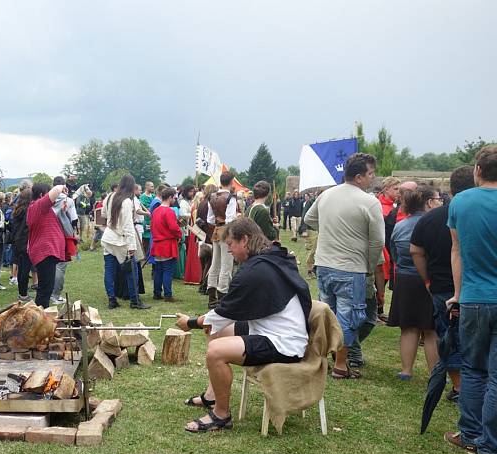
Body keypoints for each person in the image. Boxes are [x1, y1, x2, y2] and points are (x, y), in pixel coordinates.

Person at [177, 218, 311, 431]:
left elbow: (223, 313)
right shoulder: (269, 258)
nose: (228, 250)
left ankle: (221, 415)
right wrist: (206, 321)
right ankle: (212, 396)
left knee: (215, 351)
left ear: (245, 240)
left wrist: (190, 322)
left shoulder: (255, 271)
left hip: (284, 344)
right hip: (273, 330)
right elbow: (222, 318)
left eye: (230, 244)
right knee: (216, 331)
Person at [303, 152, 385, 379]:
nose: (373, 178)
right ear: (359, 177)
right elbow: (378, 240)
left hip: (324, 264)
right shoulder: (369, 202)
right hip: (352, 267)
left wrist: (331, 227)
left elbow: (309, 218)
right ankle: (340, 365)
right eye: (370, 174)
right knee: (348, 318)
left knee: (326, 314)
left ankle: (321, 358)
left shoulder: (327, 195)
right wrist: (369, 265)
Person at [444, 146, 497, 454]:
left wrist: (457, 293)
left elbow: (457, 251)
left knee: (474, 369)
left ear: (477, 170)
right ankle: (490, 445)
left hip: (475, 296)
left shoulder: (461, 202)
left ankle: (470, 433)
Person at [410, 166, 475, 400]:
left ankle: (459, 387)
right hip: (475, 286)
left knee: (450, 337)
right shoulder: (479, 213)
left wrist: (427, 277)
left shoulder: (431, 218)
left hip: (442, 286)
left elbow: (415, 250)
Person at [387, 184, 440, 380]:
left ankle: (406, 370)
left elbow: (393, 252)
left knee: (408, 327)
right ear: (427, 202)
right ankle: (434, 373)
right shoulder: (434, 225)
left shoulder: (400, 226)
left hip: (405, 279)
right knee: (430, 329)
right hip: (428, 279)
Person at [101, 174, 150, 310]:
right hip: (120, 240)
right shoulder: (127, 201)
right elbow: (128, 225)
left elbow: (103, 214)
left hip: (109, 237)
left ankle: (112, 299)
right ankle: (135, 301)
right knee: (131, 270)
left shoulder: (110, 196)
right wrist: (132, 246)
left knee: (109, 271)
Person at [26, 182, 67, 308]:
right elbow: (55, 190)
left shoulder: (40, 208)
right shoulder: (38, 206)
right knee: (45, 289)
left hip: (46, 253)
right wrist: (61, 187)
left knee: (46, 288)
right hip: (44, 253)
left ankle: (41, 313)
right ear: (42, 195)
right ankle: (41, 314)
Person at [205, 171, 238, 308]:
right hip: (226, 231)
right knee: (226, 265)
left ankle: (212, 297)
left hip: (216, 230)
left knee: (215, 264)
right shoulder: (230, 197)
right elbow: (230, 218)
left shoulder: (212, 196)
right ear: (231, 182)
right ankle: (222, 297)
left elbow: (210, 219)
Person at [51, 176, 79, 305]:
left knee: (49, 264)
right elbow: (74, 218)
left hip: (48, 233)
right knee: (61, 265)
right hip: (62, 235)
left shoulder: (47, 199)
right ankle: (55, 294)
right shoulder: (68, 201)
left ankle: (49, 292)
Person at [150, 187, 181, 302]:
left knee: (158, 270)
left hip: (157, 243)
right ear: (170, 197)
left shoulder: (156, 210)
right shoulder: (169, 211)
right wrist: (179, 235)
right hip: (167, 243)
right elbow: (173, 228)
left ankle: (157, 293)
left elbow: (152, 227)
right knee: (168, 270)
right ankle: (168, 294)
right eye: (174, 197)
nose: (174, 200)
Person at [8, 188, 33, 302]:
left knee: (21, 267)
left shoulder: (17, 210)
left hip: (17, 241)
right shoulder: (28, 210)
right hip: (25, 241)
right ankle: (23, 294)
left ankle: (22, 293)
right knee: (25, 269)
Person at [195, 184, 216, 294]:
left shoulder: (201, 203)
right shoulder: (209, 203)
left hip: (201, 235)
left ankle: (202, 283)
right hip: (208, 235)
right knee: (210, 262)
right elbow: (210, 221)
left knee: (204, 262)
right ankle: (204, 285)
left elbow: (197, 220)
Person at [140, 181, 155, 254]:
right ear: (147, 187)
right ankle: (144, 255)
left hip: (153, 220)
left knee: (151, 238)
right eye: (151, 186)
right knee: (146, 239)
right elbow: (143, 207)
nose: (153, 188)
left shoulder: (153, 196)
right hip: (146, 220)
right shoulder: (143, 196)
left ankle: (150, 254)